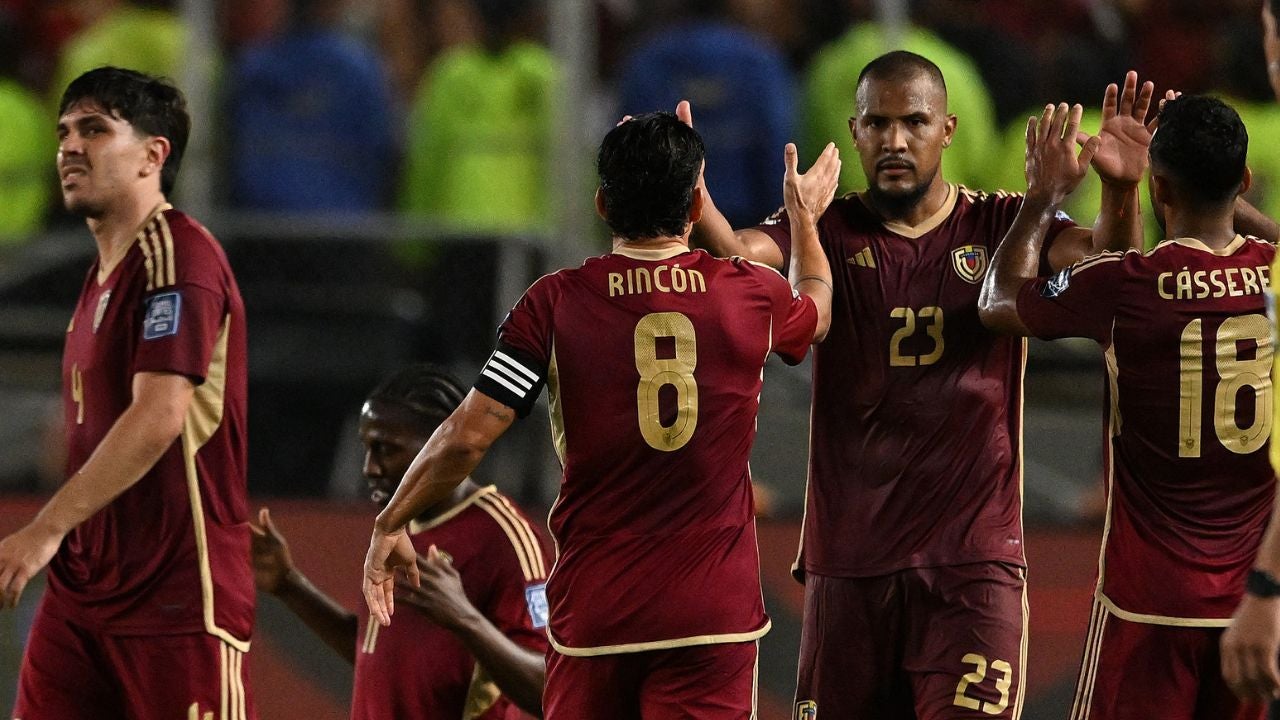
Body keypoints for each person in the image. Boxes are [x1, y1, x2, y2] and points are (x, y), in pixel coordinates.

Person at [687, 51, 1157, 718]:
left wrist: (1118, 192)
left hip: (972, 569)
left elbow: (1110, 272)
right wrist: (696, 198)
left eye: (914, 121)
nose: (895, 141)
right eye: (877, 124)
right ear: (854, 133)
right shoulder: (826, 231)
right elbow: (733, 258)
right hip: (849, 567)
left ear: (948, 129)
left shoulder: (999, 225)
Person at [364, 112, 839, 718]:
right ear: (695, 205)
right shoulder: (747, 293)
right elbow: (817, 310)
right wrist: (803, 222)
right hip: (709, 614)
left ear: (601, 205)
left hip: (597, 612)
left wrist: (389, 522)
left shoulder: (552, 304)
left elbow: (468, 433)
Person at [980, 95, 1273, 719]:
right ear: (1244, 181)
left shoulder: (1127, 282)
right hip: (1253, 603)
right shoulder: (1274, 276)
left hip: (1148, 601)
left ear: (1158, 186)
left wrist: (1042, 198)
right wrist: (1224, 190)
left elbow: (997, 302)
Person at [0, 67, 255, 719]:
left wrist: (46, 528)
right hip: (86, 594)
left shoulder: (178, 255)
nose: (68, 147)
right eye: (63, 132)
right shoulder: (98, 277)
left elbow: (160, 414)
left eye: (94, 129)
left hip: (174, 597)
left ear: (153, 154)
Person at [250, 364, 550, 719]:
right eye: (367, 447)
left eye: (386, 449)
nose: (369, 468)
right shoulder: (396, 530)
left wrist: (465, 618)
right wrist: (290, 586)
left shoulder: (505, 539)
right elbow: (378, 659)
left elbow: (549, 686)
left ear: (440, 446)